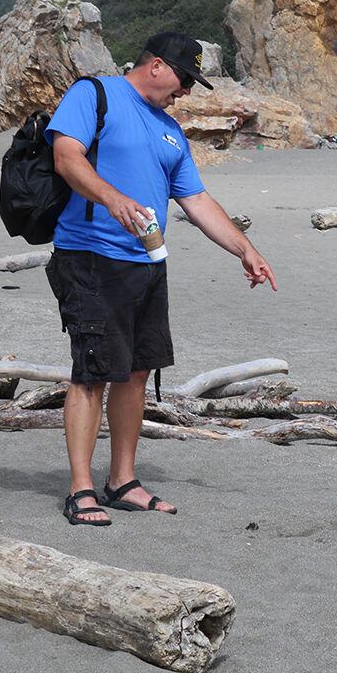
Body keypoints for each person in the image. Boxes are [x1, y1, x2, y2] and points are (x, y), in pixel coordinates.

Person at [46, 32, 278, 527]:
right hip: (90, 257)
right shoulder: (94, 94)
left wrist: (245, 249)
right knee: (92, 372)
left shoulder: (170, 130)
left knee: (137, 371)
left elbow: (197, 200)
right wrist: (112, 198)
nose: (186, 92)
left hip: (148, 263)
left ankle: (122, 481)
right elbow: (66, 157)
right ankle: (80, 488)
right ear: (155, 65)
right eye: (184, 79)